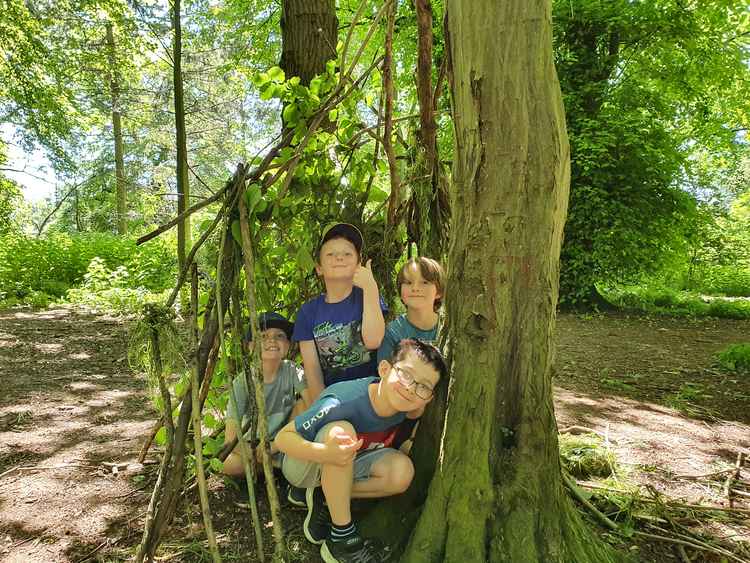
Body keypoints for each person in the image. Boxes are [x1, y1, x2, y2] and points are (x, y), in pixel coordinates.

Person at [274, 339, 448, 563]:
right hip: (305, 464)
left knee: (401, 472)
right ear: (384, 369)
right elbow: (283, 438)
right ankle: (342, 539)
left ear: (429, 397)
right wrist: (325, 453)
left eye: (423, 386)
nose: (410, 388)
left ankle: (325, 497)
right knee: (342, 433)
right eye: (406, 374)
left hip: (343, 465)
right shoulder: (343, 401)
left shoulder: (406, 408)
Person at [222, 312, 312, 505]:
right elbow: (230, 439)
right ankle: (274, 469)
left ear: (287, 346)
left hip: (283, 442)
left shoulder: (293, 371)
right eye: (263, 336)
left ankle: (276, 468)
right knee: (228, 463)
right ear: (251, 346)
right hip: (251, 447)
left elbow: (312, 404)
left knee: (303, 404)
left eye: (279, 336)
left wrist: (275, 446)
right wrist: (261, 454)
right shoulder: (243, 382)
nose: (271, 340)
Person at [293, 223, 387, 400]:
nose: (339, 258)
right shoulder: (308, 312)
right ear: (319, 268)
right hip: (332, 398)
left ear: (359, 264)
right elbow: (312, 371)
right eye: (330, 254)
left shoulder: (367, 295)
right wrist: (322, 409)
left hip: (373, 395)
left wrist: (370, 287)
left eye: (347, 253)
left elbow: (374, 340)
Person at [377, 257, 445, 363]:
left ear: (438, 292)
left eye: (424, 282)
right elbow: (385, 373)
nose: (415, 288)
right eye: (408, 283)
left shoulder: (449, 327)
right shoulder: (393, 333)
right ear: (400, 291)